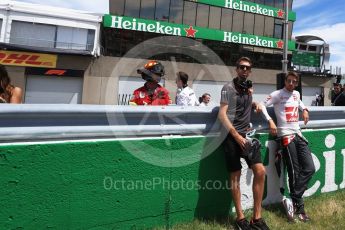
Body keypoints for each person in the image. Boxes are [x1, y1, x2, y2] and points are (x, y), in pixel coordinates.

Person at [218, 57, 269, 230]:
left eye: (247, 68)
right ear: (236, 69)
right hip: (231, 136)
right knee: (235, 177)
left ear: (250, 71)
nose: (244, 70)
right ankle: (240, 218)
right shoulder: (228, 88)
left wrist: (253, 103)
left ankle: (256, 218)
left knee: (260, 171)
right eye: (241, 67)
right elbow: (222, 114)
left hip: (246, 136)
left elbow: (243, 106)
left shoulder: (248, 88)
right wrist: (236, 135)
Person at [260, 71, 315, 222]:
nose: (291, 84)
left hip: (298, 134)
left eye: (294, 82)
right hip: (285, 136)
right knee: (294, 172)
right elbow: (262, 105)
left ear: (296, 83)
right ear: (285, 81)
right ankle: (300, 209)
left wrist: (305, 110)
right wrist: (270, 121)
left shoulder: (296, 94)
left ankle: (292, 197)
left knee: (310, 168)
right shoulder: (278, 94)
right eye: (289, 81)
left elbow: (300, 103)